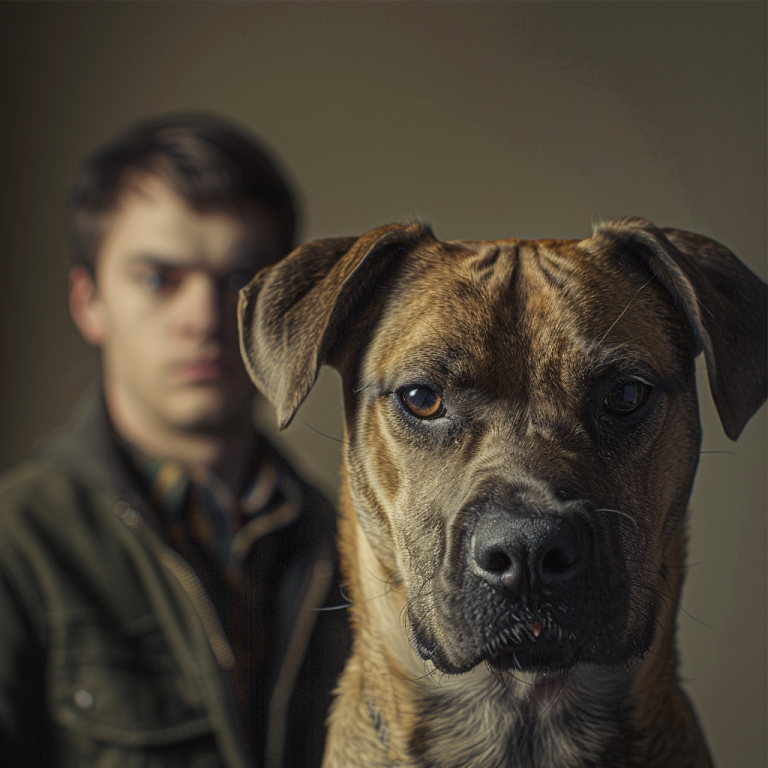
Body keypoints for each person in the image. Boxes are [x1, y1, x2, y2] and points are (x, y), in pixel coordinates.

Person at [0, 113, 349, 768]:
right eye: (159, 279)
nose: (204, 319)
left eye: (242, 280)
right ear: (89, 301)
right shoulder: (16, 547)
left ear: (285, 312)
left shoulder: (355, 547)